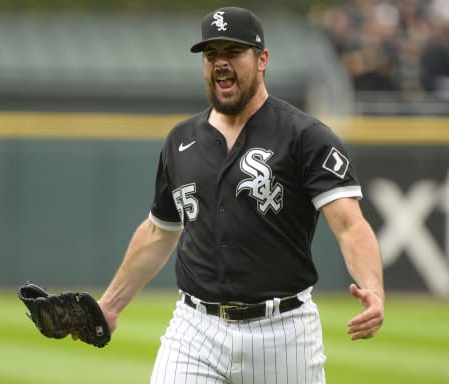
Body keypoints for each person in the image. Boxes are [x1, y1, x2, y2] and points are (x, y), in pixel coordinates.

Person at [98, 7, 385, 384]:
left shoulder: (305, 136)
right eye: (211, 54)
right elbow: (158, 232)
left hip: (283, 333)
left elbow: (350, 226)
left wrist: (374, 289)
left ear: (262, 59)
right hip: (195, 329)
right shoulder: (181, 140)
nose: (220, 63)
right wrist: (110, 305)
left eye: (233, 52)